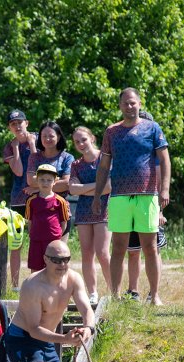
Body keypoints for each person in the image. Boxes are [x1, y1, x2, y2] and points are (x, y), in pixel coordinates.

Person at [92, 88, 171, 305]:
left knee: (150, 247)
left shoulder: (152, 128)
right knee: (118, 247)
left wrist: (164, 189)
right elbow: (104, 166)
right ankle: (116, 296)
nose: (130, 106)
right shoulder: (111, 132)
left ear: (139, 103)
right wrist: (98, 195)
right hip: (119, 196)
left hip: (147, 195)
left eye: (133, 103)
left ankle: (154, 295)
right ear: (120, 105)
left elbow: (164, 160)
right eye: (126, 103)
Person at [69, 126, 112, 304]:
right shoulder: (76, 165)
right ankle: (92, 292)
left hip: (104, 210)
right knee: (87, 254)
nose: (81, 144)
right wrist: (97, 186)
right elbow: (73, 189)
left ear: (92, 138)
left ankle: (114, 290)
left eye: (84, 139)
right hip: (84, 211)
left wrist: (84, 188)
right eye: (77, 141)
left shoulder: (105, 158)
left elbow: (109, 186)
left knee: (103, 253)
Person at [2, 109, 37, 291]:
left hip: (37, 197)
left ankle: (34, 282)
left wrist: (31, 145)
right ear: (9, 127)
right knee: (16, 243)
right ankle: (15, 285)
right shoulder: (9, 146)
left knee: (36, 240)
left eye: (19, 122)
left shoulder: (39, 139)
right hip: (18, 199)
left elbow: (39, 166)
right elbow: (19, 171)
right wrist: (16, 148)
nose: (17, 126)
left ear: (27, 123)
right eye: (13, 124)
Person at [25, 164, 72, 272]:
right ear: (37, 180)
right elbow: (30, 221)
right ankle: (35, 288)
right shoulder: (31, 200)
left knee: (53, 267)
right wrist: (32, 234)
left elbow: (64, 222)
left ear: (55, 181)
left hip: (53, 240)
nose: (45, 183)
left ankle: (53, 288)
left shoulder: (60, 201)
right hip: (36, 239)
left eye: (49, 180)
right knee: (35, 267)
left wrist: (57, 237)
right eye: (42, 179)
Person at [122, 214, 166, 300]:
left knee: (153, 250)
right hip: (131, 207)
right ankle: (133, 292)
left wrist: (160, 212)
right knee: (133, 251)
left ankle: (153, 293)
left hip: (150, 209)